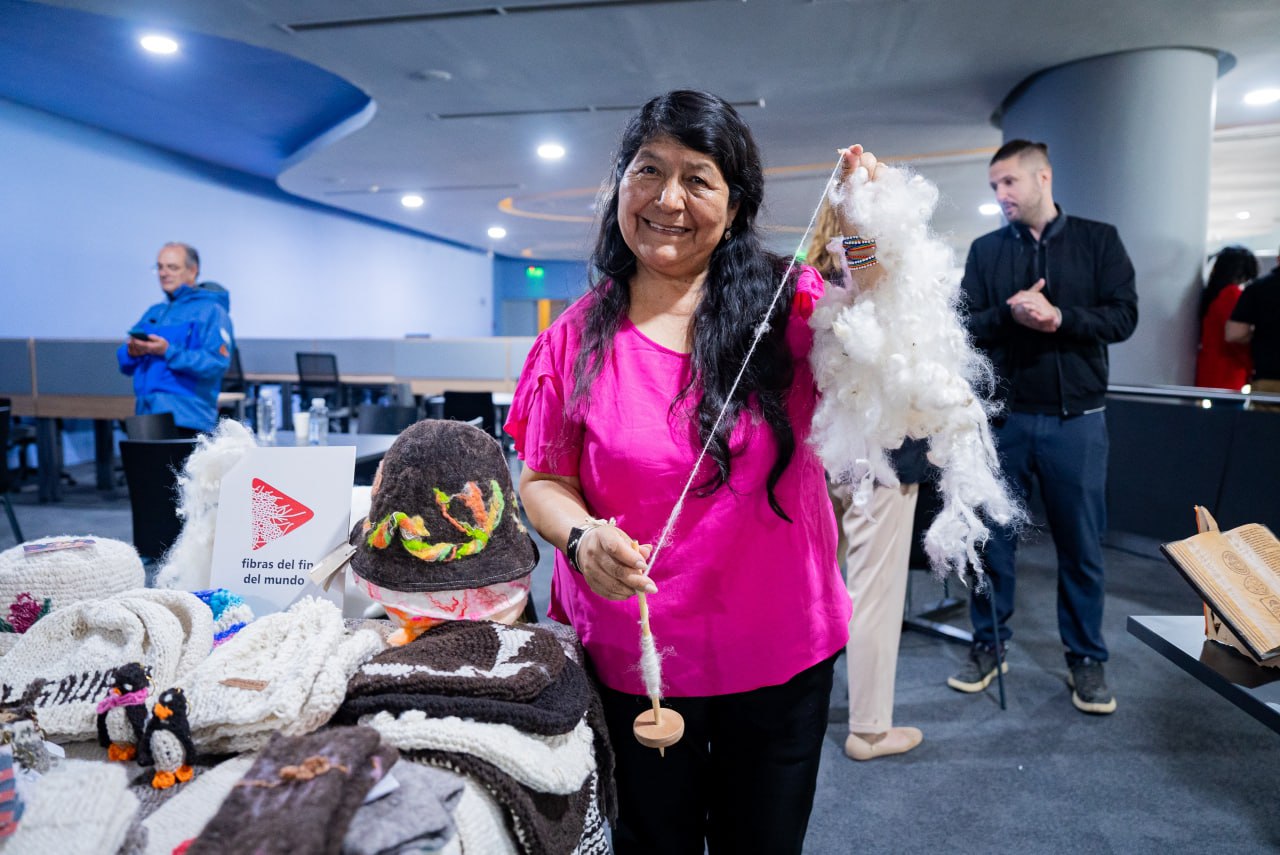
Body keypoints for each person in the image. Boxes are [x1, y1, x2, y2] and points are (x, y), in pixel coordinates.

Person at [506, 91, 879, 853]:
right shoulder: (573, 340)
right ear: (619, 184)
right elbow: (541, 479)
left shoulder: (792, 312)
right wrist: (579, 538)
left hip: (779, 646)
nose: (668, 199)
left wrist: (867, 227)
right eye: (648, 171)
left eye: (698, 179)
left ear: (735, 206)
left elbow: (882, 318)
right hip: (632, 656)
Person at [954, 139, 1137, 715]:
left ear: (1043, 178)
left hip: (1076, 422)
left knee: (1081, 548)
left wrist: (1060, 318)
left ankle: (1086, 657)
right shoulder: (986, 251)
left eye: (1009, 182)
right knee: (992, 545)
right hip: (1004, 423)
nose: (1001, 195)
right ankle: (989, 643)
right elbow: (965, 325)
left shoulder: (1098, 240)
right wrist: (1010, 314)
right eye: (994, 186)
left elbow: (1123, 317)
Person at [806, 203, 925, 761]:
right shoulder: (875, 269)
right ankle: (871, 729)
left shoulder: (813, 278)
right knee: (873, 590)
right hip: (881, 453)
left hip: (827, 449)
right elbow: (871, 278)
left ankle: (805, 696)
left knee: (821, 580)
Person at [117, 243, 233, 436]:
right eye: (160, 267)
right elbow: (124, 359)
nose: (164, 273)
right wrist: (132, 351)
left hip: (188, 417)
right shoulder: (154, 312)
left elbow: (216, 363)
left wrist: (167, 351)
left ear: (192, 270)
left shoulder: (212, 311)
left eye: (172, 267)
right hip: (146, 413)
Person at [1195, 246, 1257, 390]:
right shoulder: (1231, 295)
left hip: (1209, 369)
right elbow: (1237, 337)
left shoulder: (1212, 294)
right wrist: (1252, 367)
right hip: (1228, 373)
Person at [1227, 249, 1280, 409]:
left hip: (1268, 379)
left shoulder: (1258, 288)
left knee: (1264, 424)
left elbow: (1234, 333)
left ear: (1278, 258)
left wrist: (1260, 335)